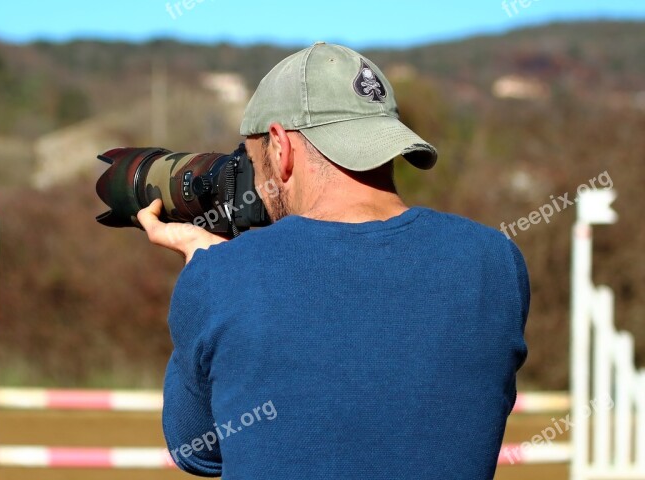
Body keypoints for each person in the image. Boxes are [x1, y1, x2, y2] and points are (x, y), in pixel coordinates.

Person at [137, 42, 528, 479]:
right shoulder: (495, 263)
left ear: (281, 147)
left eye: (251, 161)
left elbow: (197, 451)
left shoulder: (221, 276)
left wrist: (202, 270)